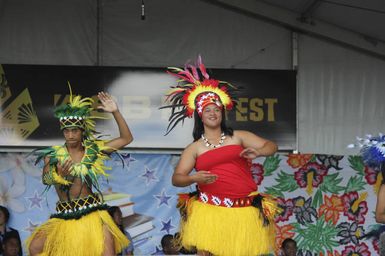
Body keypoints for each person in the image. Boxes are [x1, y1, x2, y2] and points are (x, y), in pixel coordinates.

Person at [161, 56, 281, 256]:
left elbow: (272, 146)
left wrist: (259, 151)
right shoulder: (194, 148)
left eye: (217, 109)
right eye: (208, 109)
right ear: (200, 114)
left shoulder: (238, 137)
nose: (213, 113)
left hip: (243, 209)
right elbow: (177, 178)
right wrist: (193, 178)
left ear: (222, 113)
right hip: (209, 209)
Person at [27, 86, 133, 256]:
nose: (70, 135)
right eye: (66, 131)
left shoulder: (93, 150)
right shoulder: (54, 155)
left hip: (92, 212)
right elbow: (45, 179)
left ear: (82, 130)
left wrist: (116, 112)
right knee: (35, 248)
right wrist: (58, 177)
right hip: (64, 215)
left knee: (108, 254)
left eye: (74, 130)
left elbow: (126, 138)